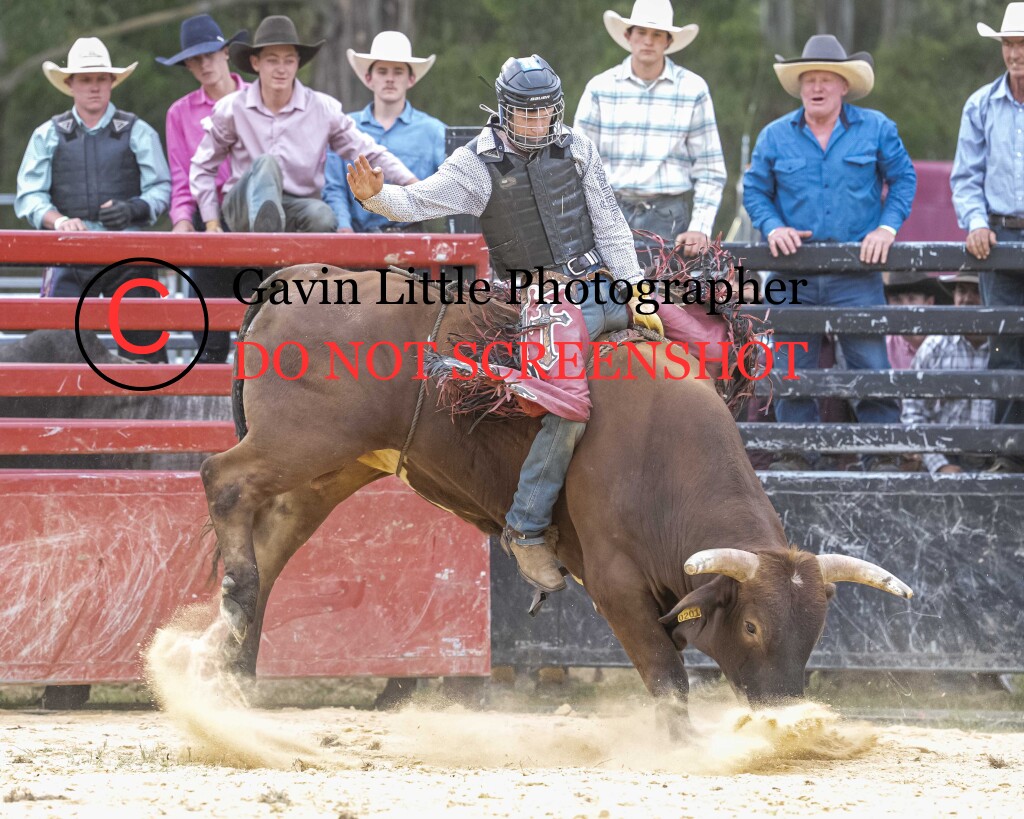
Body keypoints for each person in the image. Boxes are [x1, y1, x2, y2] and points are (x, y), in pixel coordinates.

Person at [347, 55, 643, 595]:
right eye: (526, 112)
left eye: (544, 111)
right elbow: (418, 200)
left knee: (695, 335)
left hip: (600, 287)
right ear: (504, 111)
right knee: (566, 406)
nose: (536, 121)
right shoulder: (476, 164)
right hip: (541, 302)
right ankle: (527, 527)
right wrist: (377, 197)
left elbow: (611, 225)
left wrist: (638, 294)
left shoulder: (577, 147)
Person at [743, 34, 917, 470]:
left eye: (826, 78)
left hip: (856, 271)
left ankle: (881, 456)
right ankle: (796, 456)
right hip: (793, 271)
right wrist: (772, 225)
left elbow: (904, 179)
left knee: (870, 366)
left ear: (844, 85)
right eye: (809, 79)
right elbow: (755, 191)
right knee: (790, 367)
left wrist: (886, 228)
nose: (817, 87)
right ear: (799, 87)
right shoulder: (774, 136)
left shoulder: (877, 128)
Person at [15, 37, 171, 361]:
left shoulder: (139, 131)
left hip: (127, 251)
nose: (94, 87)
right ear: (70, 84)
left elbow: (160, 188)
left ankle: (148, 387)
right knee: (56, 342)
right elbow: (29, 195)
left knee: (144, 339)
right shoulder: (47, 134)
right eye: (86, 79)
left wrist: (133, 209)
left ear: (112, 82)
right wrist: (58, 220)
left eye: (101, 78)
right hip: (68, 252)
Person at [189, 15, 416, 235]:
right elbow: (203, 166)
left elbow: (368, 151)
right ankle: (264, 239)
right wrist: (211, 221)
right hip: (243, 207)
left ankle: (279, 245)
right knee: (266, 163)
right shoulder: (232, 108)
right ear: (256, 63)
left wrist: (412, 183)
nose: (281, 69)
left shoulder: (322, 108)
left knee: (323, 216)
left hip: (296, 206)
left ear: (297, 63)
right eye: (272, 60)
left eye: (289, 60)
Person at [574, 0, 726, 257]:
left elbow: (710, 169)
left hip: (669, 215)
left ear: (668, 41)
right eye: (642, 32)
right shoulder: (600, 88)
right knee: (603, 283)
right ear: (628, 36)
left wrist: (700, 227)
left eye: (657, 34)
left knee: (665, 284)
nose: (648, 41)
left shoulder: (693, 89)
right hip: (607, 212)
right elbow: (577, 162)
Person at [951, 2, 1024, 472]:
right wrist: (976, 221)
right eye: (1009, 44)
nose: (1015, 53)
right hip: (999, 236)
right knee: (1005, 349)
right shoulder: (980, 105)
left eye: (1022, 44)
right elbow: (966, 177)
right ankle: (1010, 454)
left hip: (1003, 236)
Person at [157, 14, 248, 363]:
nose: (204, 64)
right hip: (207, 217)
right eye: (195, 60)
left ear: (226, 53)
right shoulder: (179, 113)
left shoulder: (257, 99)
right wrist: (182, 220)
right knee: (207, 328)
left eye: (209, 55)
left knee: (263, 326)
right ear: (188, 66)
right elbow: (181, 177)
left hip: (255, 214)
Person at [322, 31, 446, 233]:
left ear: (411, 79)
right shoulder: (345, 128)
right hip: (356, 237)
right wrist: (344, 228)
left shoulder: (434, 132)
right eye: (382, 71)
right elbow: (334, 188)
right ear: (369, 78)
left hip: (413, 237)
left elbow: (448, 185)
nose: (390, 79)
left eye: (398, 72)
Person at [902, 274, 993, 475]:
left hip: (996, 461)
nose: (967, 299)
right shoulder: (935, 346)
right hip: (944, 457)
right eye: (961, 291)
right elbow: (913, 411)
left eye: (977, 291)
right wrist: (939, 465)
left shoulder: (1007, 351)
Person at [884, 272, 951, 370]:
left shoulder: (947, 343)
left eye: (912, 299)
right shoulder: (885, 347)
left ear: (929, 303)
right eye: (897, 300)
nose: (905, 307)